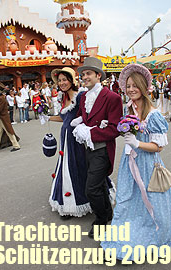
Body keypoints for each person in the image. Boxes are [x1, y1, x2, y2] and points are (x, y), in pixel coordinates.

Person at [101, 64, 171, 261]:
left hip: (147, 165)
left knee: (151, 201)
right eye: (128, 86)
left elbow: (158, 146)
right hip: (128, 162)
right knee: (125, 198)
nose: (131, 89)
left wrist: (137, 142)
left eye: (135, 86)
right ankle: (125, 236)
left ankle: (154, 235)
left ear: (143, 87)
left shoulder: (154, 114)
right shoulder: (129, 108)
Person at [72, 57, 123, 237]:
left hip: (102, 149)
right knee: (99, 184)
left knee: (91, 189)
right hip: (88, 148)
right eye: (83, 74)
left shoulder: (112, 97)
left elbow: (115, 128)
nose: (84, 77)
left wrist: (90, 133)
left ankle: (101, 220)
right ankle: (107, 212)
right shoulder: (84, 96)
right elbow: (82, 115)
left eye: (88, 74)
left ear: (98, 75)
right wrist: (78, 122)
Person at [47, 67, 92, 219]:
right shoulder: (63, 97)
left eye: (64, 79)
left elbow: (88, 116)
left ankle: (82, 201)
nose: (62, 83)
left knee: (78, 167)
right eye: (59, 80)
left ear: (71, 80)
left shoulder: (81, 96)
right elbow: (63, 117)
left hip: (76, 138)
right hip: (65, 139)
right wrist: (48, 118)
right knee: (65, 168)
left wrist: (81, 124)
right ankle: (68, 203)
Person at [0, 82, 20, 153]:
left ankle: (16, 145)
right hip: (0, 118)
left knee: (9, 132)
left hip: (3, 118)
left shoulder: (1, 98)